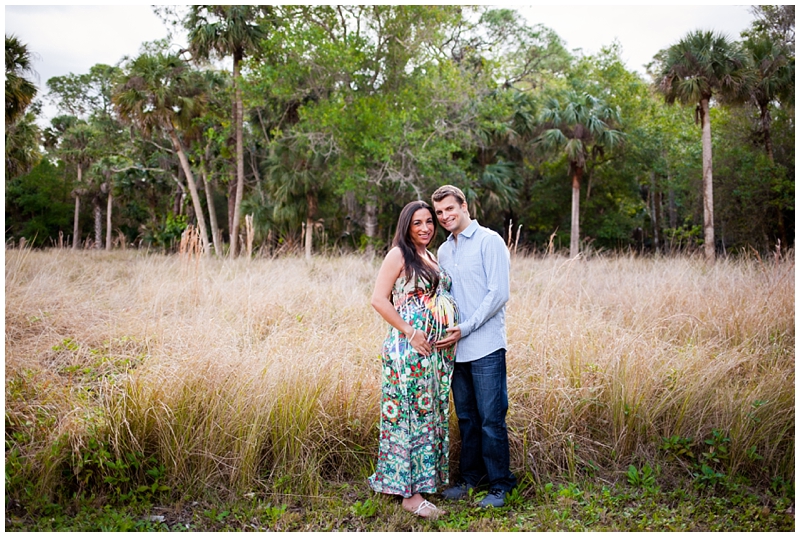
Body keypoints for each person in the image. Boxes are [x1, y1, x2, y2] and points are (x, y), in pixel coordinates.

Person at [368, 200, 459, 519]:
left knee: (426, 416)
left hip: (431, 353)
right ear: (406, 226)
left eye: (429, 222)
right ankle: (410, 497)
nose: (425, 227)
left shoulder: (430, 256)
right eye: (417, 222)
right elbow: (379, 299)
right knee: (407, 419)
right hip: (408, 351)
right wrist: (410, 331)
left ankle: (417, 482)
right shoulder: (399, 254)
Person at [431, 184, 517, 508]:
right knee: (466, 418)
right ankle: (471, 479)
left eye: (449, 209)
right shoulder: (443, 251)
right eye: (439, 212)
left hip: (485, 346)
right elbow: (445, 297)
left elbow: (498, 294)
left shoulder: (489, 241)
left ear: (464, 205)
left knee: (491, 418)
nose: (444, 216)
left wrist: (465, 327)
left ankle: (500, 485)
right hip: (455, 349)